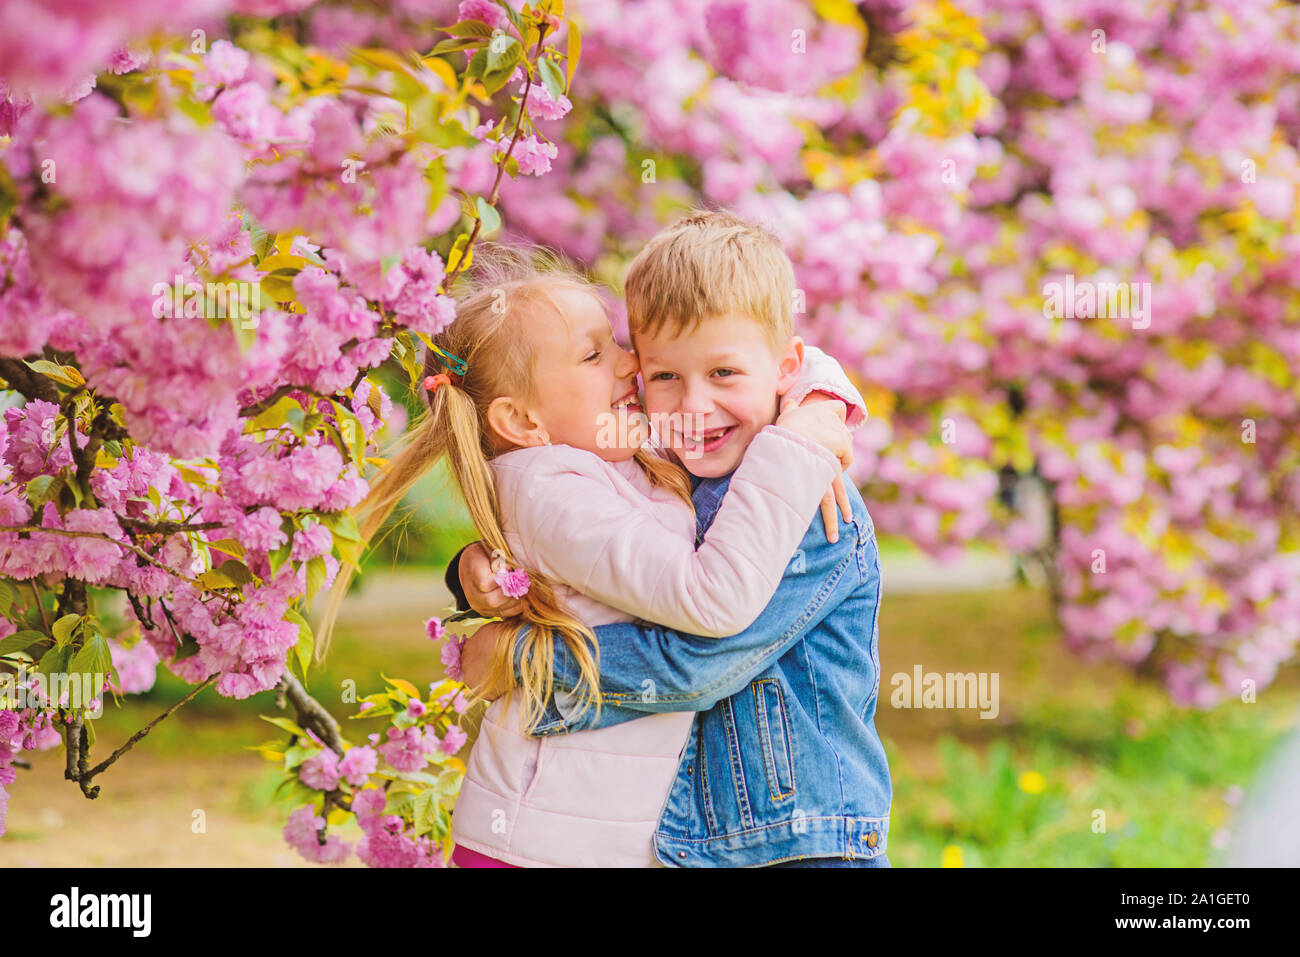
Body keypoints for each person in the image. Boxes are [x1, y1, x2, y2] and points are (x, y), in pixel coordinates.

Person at [318, 240, 863, 867]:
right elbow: (708, 603)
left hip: (632, 838)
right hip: (545, 846)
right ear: (523, 421)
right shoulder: (553, 485)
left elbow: (741, 340)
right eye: (595, 353)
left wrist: (818, 404)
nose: (632, 365)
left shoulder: (633, 454)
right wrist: (794, 448)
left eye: (620, 344)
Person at [454, 210, 892, 867]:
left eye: (723, 376)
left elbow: (694, 667)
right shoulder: (675, 457)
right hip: (702, 841)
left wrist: (526, 661)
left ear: (783, 370)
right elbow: (576, 529)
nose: (692, 404)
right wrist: (473, 567)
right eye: (663, 376)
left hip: (803, 841)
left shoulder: (809, 505)